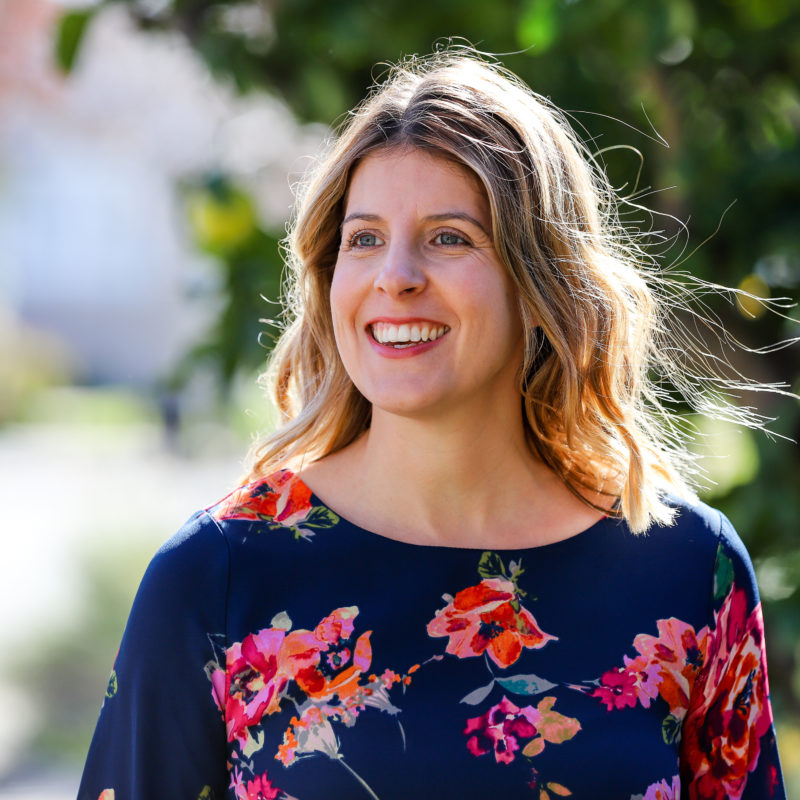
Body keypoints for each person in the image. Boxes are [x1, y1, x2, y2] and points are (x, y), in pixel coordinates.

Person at [78, 50, 787, 800]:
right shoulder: (217, 578)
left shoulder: (685, 570)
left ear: (542, 278)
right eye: (365, 238)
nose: (396, 276)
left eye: (449, 237)